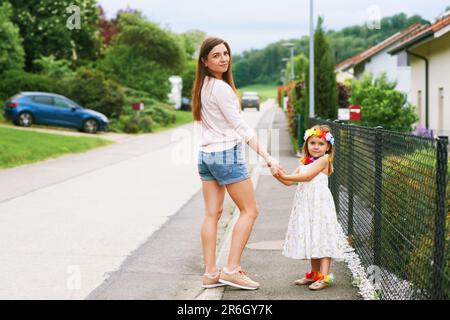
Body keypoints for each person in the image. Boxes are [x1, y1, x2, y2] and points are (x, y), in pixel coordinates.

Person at [192, 37, 281, 290]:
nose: (223, 59)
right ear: (205, 62)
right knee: (250, 210)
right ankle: (231, 269)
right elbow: (240, 127)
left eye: (226, 53)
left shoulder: (204, 86)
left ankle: (211, 273)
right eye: (216, 56)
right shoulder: (221, 88)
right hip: (225, 155)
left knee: (212, 214)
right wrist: (268, 156)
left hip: (206, 156)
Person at [274, 125, 344, 290]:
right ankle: (314, 274)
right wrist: (278, 174)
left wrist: (285, 175)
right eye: (312, 143)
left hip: (319, 205)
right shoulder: (304, 162)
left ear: (328, 147)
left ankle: (324, 277)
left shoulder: (324, 160)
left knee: (323, 236)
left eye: (320, 144)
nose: (316, 147)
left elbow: (306, 177)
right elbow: (290, 181)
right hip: (307, 206)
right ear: (307, 144)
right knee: (313, 236)